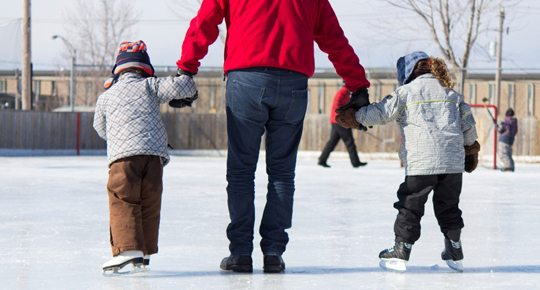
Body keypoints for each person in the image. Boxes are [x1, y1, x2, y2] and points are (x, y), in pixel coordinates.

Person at [177, 0, 370, 273]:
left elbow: (205, 21)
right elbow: (334, 38)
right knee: (282, 173)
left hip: (246, 80)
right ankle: (273, 252)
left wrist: (187, 68)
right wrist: (357, 84)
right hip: (293, 84)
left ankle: (241, 252)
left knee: (241, 171)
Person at [336, 51, 480, 272]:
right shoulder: (451, 94)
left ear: (407, 72)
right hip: (452, 164)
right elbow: (468, 124)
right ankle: (454, 249)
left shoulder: (406, 92)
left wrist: (355, 117)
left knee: (410, 206)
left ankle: (402, 249)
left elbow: (381, 113)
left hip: (422, 162)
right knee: (449, 206)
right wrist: (470, 151)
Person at [93, 40, 198, 273]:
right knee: (149, 201)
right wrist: (185, 77)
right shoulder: (151, 85)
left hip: (123, 158)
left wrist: (118, 135)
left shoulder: (107, 96)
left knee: (123, 199)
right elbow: (185, 87)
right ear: (145, 68)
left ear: (118, 69)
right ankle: (146, 251)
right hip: (153, 157)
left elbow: (100, 127)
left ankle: (129, 249)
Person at [318, 86, 367, 168]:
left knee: (332, 142)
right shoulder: (342, 92)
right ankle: (355, 162)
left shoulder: (347, 93)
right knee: (350, 142)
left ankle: (322, 159)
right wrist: (345, 118)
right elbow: (337, 107)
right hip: (340, 122)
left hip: (337, 121)